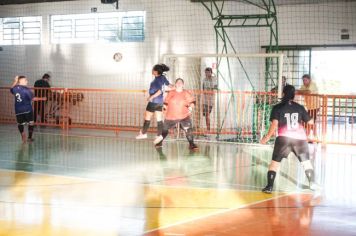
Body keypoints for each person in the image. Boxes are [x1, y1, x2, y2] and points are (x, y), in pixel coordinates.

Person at [260, 85, 318, 193]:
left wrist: (266, 137)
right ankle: (312, 184)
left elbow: (274, 124)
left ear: (283, 93)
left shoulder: (277, 107)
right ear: (293, 95)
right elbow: (310, 122)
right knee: (306, 163)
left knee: (275, 163)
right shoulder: (299, 107)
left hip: (284, 138)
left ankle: (269, 187)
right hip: (299, 139)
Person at [153, 78, 198, 150]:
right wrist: (163, 110)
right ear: (175, 84)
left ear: (183, 85)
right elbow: (165, 103)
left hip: (184, 116)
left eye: (181, 82)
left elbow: (192, 102)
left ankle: (191, 144)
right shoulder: (171, 93)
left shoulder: (186, 93)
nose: (179, 83)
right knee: (164, 130)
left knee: (188, 129)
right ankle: (159, 142)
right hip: (171, 116)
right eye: (178, 82)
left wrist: (191, 108)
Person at [136, 64, 174, 140]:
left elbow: (160, 91)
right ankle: (159, 135)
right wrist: (177, 87)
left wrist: (151, 97)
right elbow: (170, 85)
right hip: (160, 102)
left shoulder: (157, 80)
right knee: (159, 119)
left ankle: (143, 133)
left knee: (147, 117)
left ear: (156, 72)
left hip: (154, 101)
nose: (152, 70)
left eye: (153, 69)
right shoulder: (163, 77)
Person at [10, 76, 39, 143]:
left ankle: (22, 133)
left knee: (20, 124)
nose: (27, 81)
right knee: (31, 123)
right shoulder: (27, 90)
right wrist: (42, 98)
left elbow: (11, 89)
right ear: (21, 81)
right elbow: (33, 99)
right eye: (25, 80)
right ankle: (29, 138)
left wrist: (15, 81)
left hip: (18, 110)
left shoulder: (15, 89)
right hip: (27, 109)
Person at [298, 74, 319, 139]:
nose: (304, 81)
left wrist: (302, 92)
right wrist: (302, 92)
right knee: (311, 122)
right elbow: (299, 92)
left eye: (306, 80)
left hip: (315, 106)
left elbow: (308, 92)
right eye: (303, 80)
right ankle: (315, 137)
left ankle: (307, 136)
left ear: (309, 80)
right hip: (309, 107)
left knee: (309, 121)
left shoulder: (313, 84)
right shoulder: (303, 86)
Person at [202, 67, 218, 132]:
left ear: (211, 73)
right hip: (205, 99)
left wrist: (212, 75)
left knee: (208, 114)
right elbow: (203, 89)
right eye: (206, 72)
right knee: (206, 114)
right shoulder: (204, 80)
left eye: (208, 72)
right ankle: (208, 129)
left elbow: (215, 86)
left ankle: (209, 129)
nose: (206, 73)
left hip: (211, 99)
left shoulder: (214, 79)